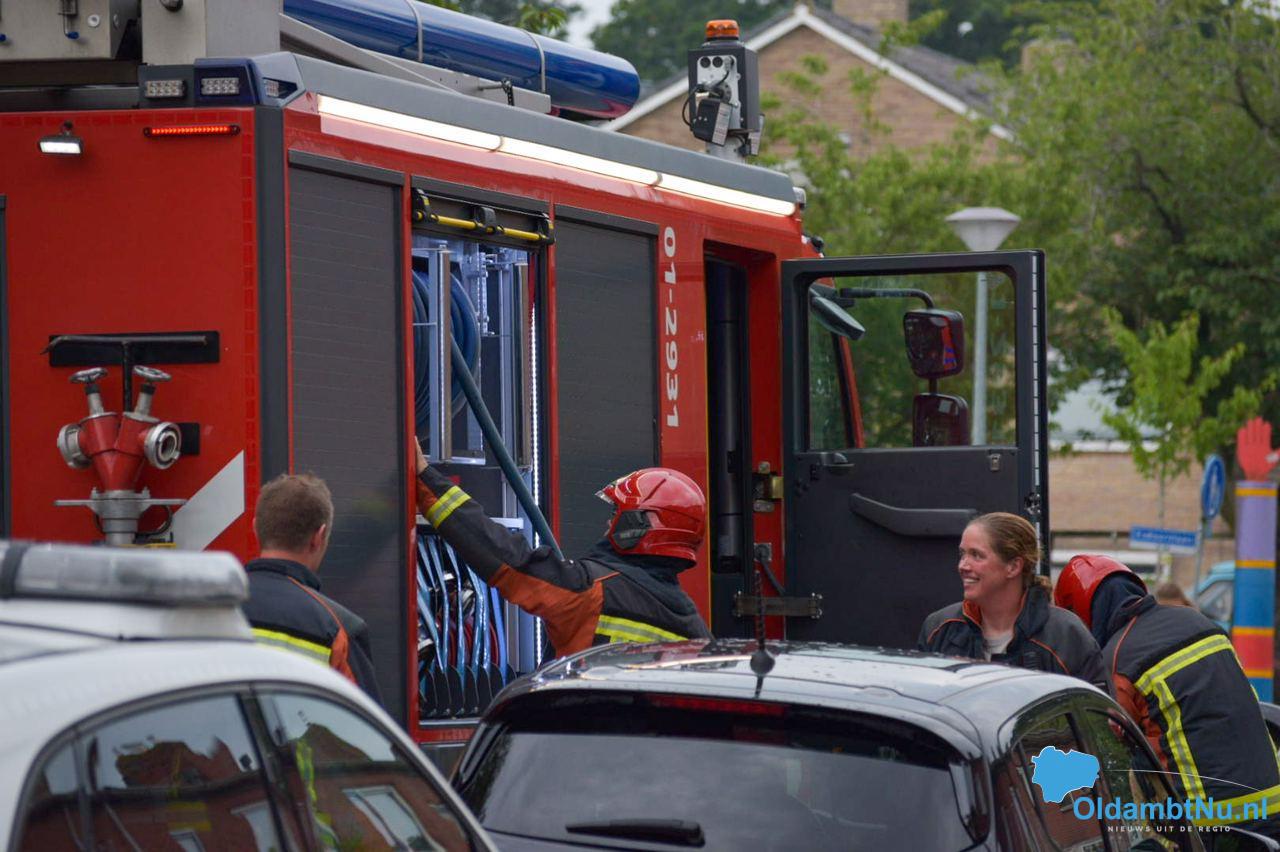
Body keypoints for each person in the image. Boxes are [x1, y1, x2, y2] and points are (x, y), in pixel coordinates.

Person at [414, 440, 711, 656]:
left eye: (616, 514)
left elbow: (505, 557)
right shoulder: (697, 634)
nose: (608, 524)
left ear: (642, 523)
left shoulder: (592, 592)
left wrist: (426, 481)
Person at [1055, 555, 1280, 839]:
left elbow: (1115, 744)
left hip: (1209, 822)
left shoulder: (1118, 657)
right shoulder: (1199, 620)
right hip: (1272, 804)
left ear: (1081, 612)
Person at [918, 512, 1106, 689]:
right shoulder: (940, 628)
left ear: (1014, 566)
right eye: (962, 554)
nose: (963, 566)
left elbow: (1096, 709)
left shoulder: (1066, 635)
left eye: (976, 555)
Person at [242, 473, 382, 703]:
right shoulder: (339, 629)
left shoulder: (209, 610)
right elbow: (365, 720)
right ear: (319, 537)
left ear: (256, 528)